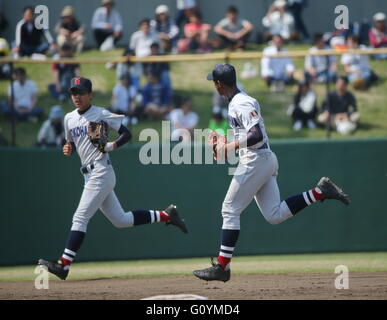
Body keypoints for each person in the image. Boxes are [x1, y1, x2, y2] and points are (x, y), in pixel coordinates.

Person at [192, 63, 350, 282]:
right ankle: (320, 192)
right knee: (274, 215)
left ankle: (222, 266)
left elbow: (256, 135)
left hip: (257, 160)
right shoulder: (237, 102)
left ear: (219, 84)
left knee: (229, 209)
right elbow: (247, 135)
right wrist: (224, 140)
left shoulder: (242, 102)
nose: (214, 86)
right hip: (262, 159)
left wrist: (229, 146)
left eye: (214, 82)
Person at [38, 77, 188, 280]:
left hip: (101, 172)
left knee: (80, 218)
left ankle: (63, 265)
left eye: (81, 92)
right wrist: (68, 148)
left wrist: (111, 145)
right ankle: (167, 215)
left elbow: (127, 133)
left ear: (90, 94)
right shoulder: (69, 118)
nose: (77, 97)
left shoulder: (100, 114)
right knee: (121, 220)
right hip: (88, 174)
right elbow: (71, 143)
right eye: (74, 92)